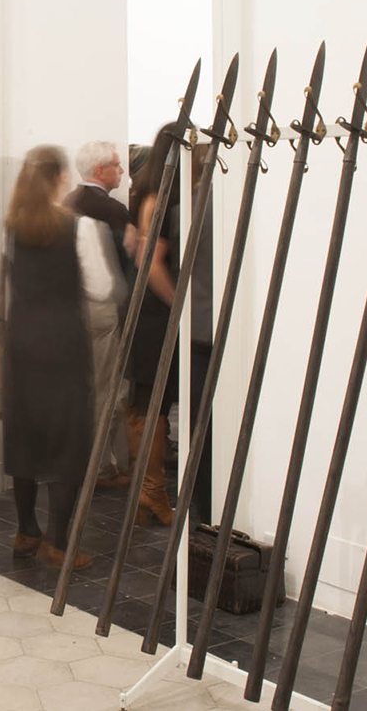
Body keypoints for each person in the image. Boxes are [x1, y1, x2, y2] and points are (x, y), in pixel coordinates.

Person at [1, 145, 118, 570]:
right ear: (58, 179)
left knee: (26, 436)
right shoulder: (78, 228)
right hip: (63, 344)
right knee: (68, 441)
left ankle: (25, 530)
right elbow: (101, 287)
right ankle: (57, 542)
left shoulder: (12, 226)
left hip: (22, 343)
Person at [125, 123, 215, 526]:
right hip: (159, 311)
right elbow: (150, 261)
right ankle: (152, 494)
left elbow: (137, 248)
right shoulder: (165, 197)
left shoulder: (147, 192)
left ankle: (151, 493)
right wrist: (182, 304)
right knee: (153, 403)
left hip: (149, 308)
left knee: (151, 402)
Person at [65, 141, 136, 493]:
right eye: (117, 166)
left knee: (81, 388)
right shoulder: (113, 210)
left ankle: (87, 463)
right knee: (108, 389)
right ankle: (103, 467)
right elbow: (128, 263)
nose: (122, 172)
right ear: (100, 171)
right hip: (104, 308)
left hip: (70, 311)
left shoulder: (66, 204)